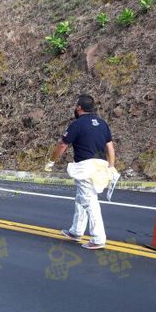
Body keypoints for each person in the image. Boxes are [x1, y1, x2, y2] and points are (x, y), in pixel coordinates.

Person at [45, 94, 116, 250]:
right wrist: (111, 167)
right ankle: (76, 231)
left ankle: (98, 238)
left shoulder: (77, 124)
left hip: (86, 166)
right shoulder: (103, 124)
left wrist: (51, 161)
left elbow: (62, 145)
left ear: (79, 107)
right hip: (101, 165)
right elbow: (110, 147)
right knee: (81, 198)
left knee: (90, 201)